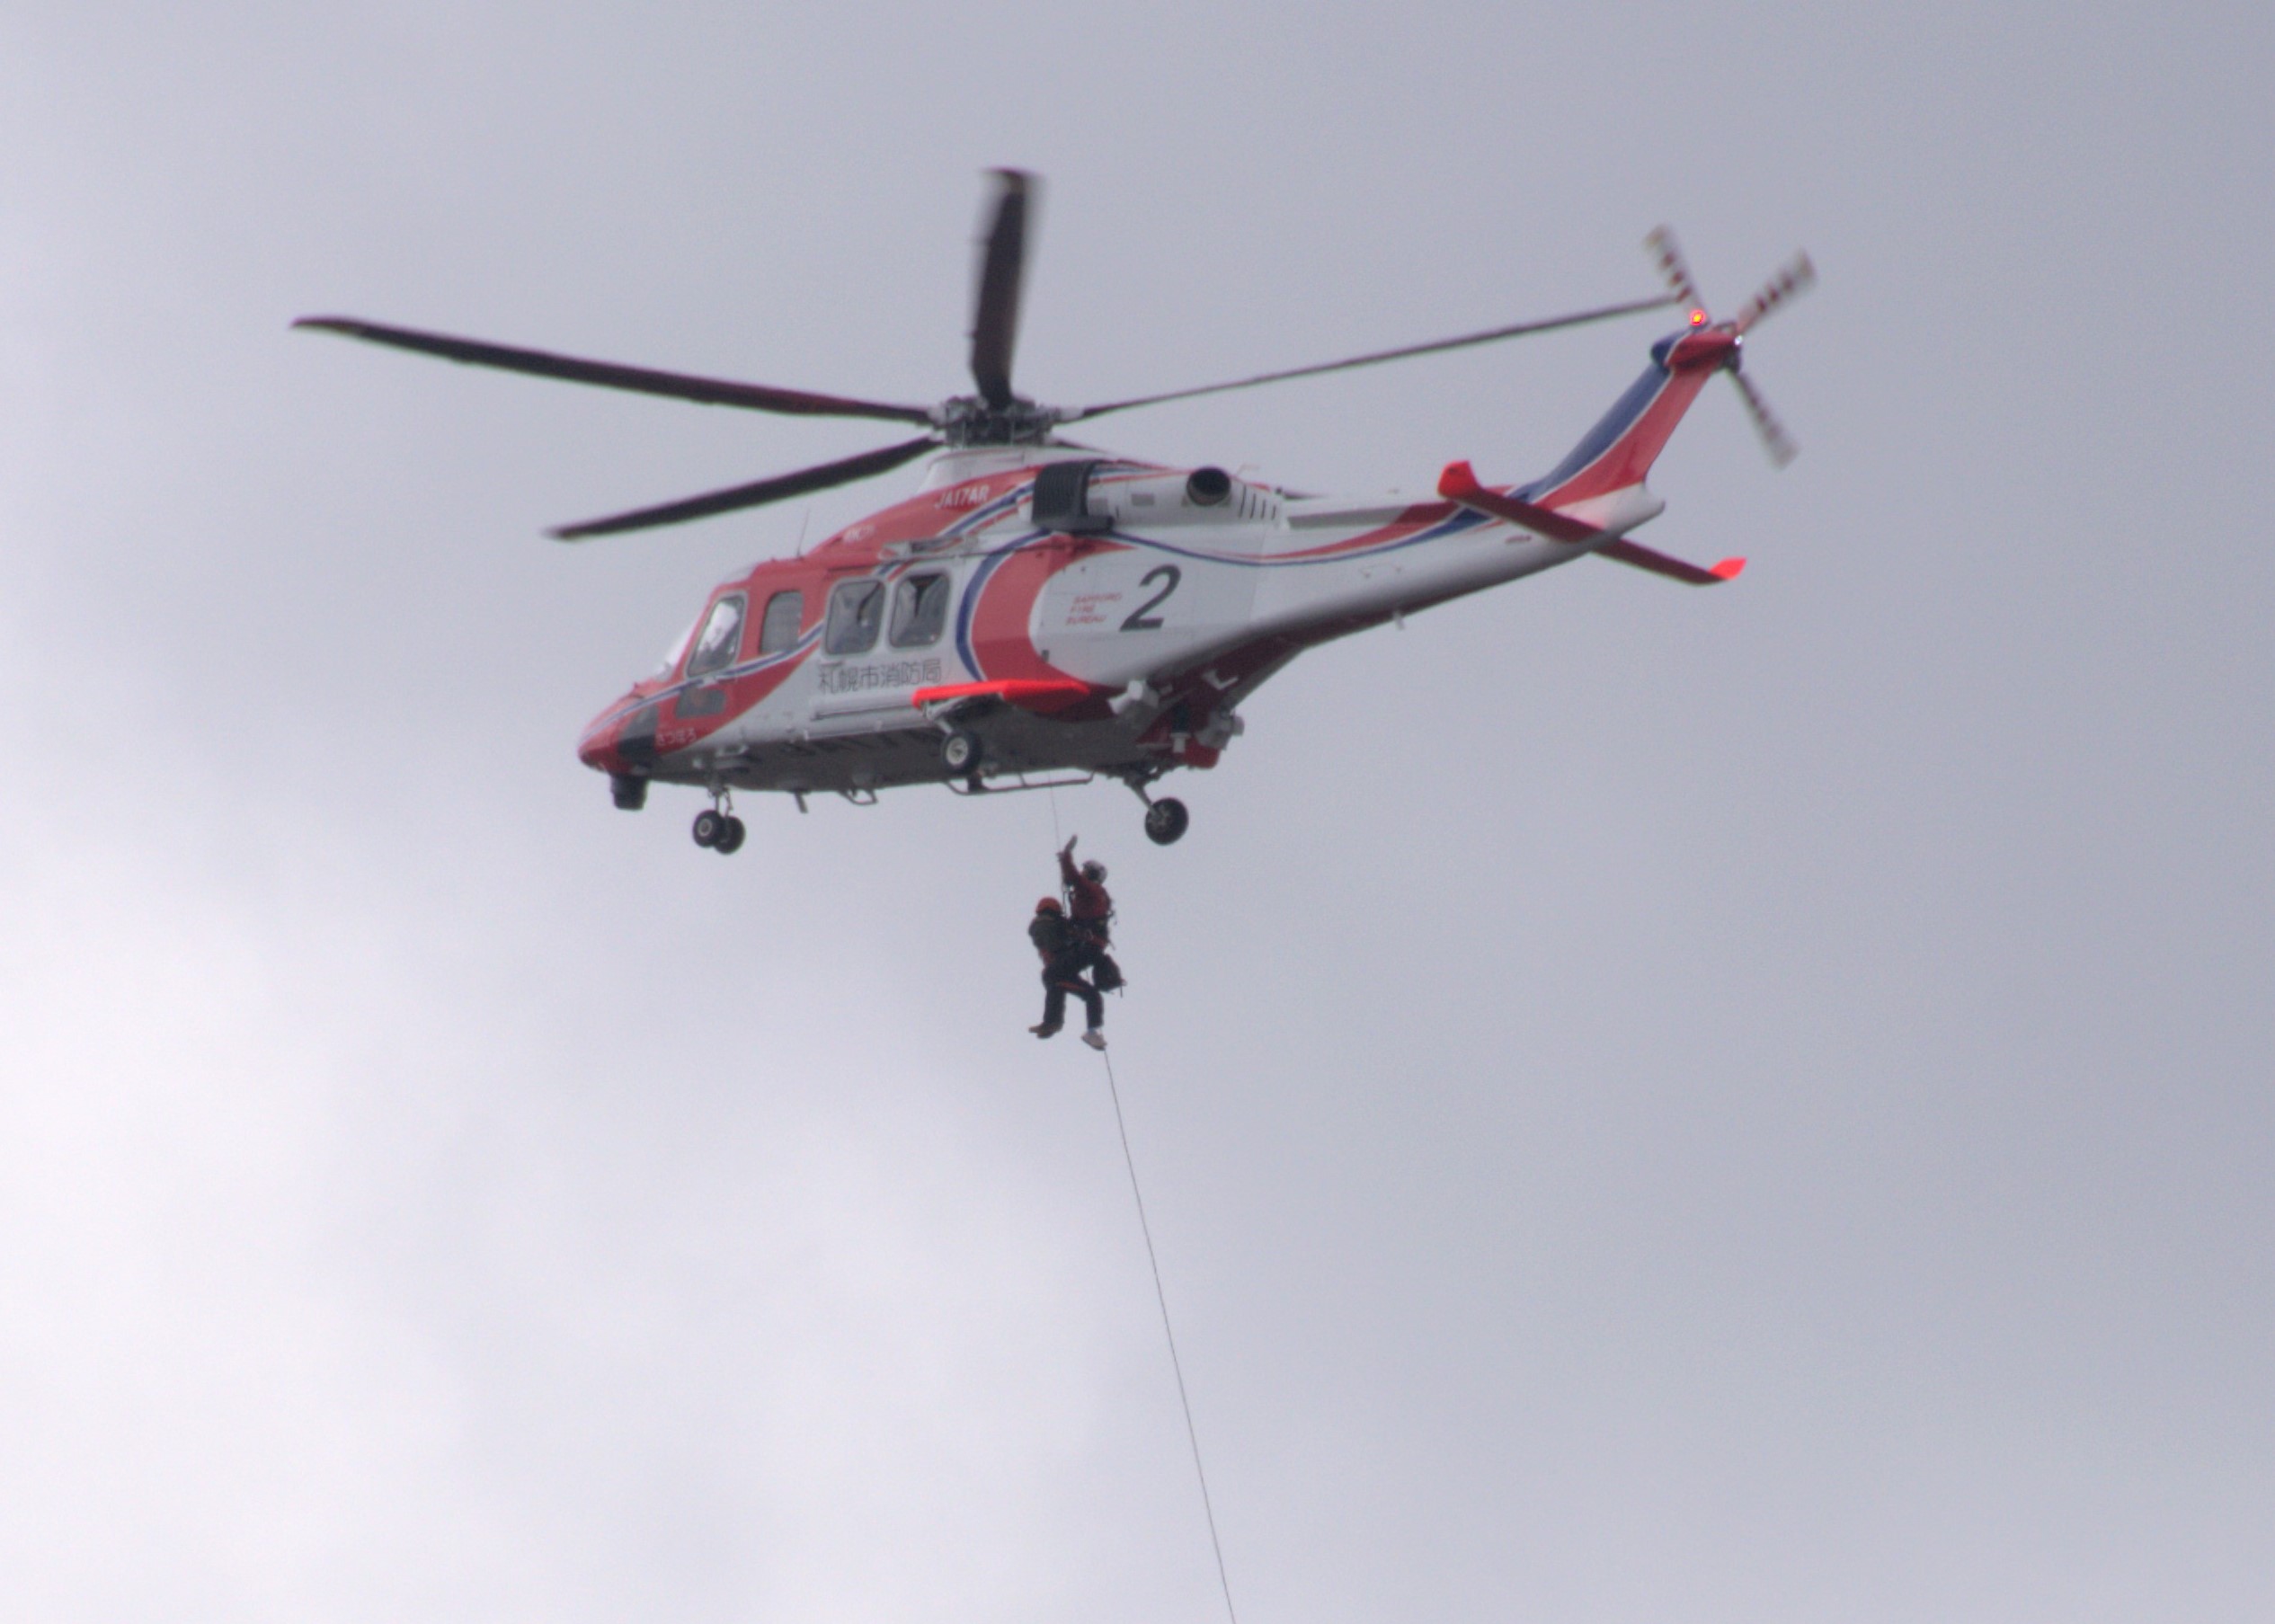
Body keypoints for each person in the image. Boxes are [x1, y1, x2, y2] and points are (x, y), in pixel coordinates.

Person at [1028, 896, 1106, 1049]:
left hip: (1054, 971)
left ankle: (1051, 1023)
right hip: (1060, 970)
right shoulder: (1052, 924)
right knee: (1091, 995)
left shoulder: (1038, 926)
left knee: (1056, 991)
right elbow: (1062, 941)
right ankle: (1089, 1031)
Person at [1056, 837, 1124, 992]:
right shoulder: (1093, 895)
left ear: (1091, 874)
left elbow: (1074, 878)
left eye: (1085, 870)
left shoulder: (1090, 890)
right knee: (1059, 973)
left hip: (1087, 947)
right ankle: (1087, 994)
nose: (1082, 872)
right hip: (1090, 947)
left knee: (1055, 974)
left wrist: (1066, 855)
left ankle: (1088, 996)